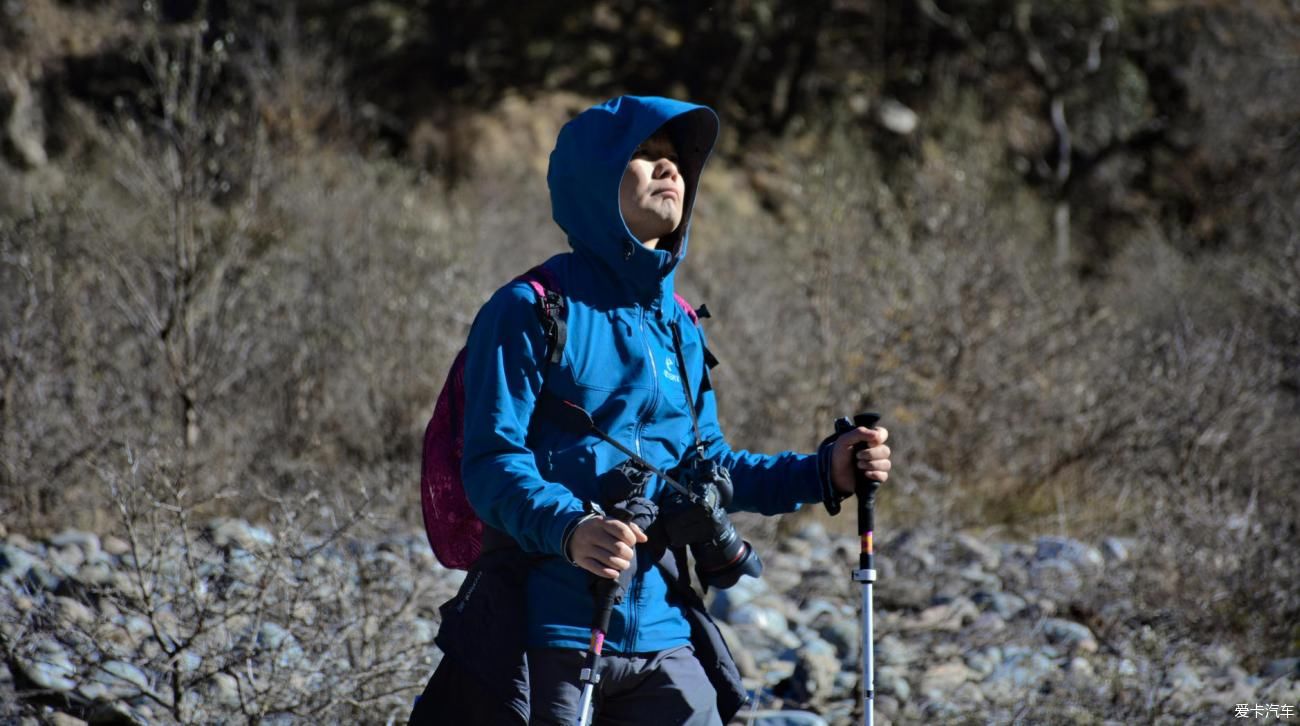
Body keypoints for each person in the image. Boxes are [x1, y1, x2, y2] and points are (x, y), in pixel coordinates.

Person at [415, 95, 891, 725]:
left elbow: (709, 467)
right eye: (645, 156)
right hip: (550, 629)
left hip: (664, 631)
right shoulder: (530, 309)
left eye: (676, 161)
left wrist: (822, 471)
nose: (671, 171)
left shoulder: (681, 325)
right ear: (595, 179)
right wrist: (572, 528)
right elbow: (492, 464)